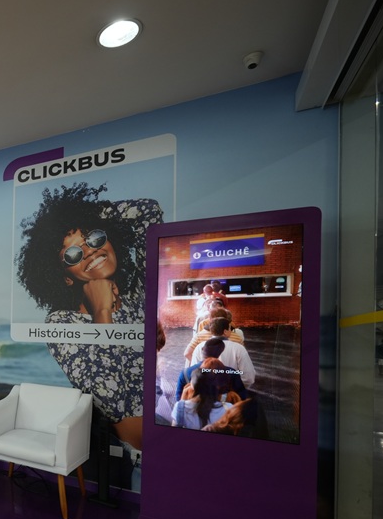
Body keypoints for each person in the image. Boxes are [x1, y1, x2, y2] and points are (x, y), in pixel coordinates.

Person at [16, 182, 163, 449]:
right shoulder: (62, 323)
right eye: (73, 254)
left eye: (94, 238)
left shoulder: (138, 295)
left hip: (168, 435)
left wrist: (83, 214)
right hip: (130, 459)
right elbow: (110, 401)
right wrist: (101, 311)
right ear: (66, 277)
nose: (90, 250)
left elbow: (148, 211)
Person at [189, 316, 256, 387]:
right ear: (225, 331)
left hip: (205, 390)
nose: (231, 331)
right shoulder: (239, 348)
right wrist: (234, 387)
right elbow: (249, 377)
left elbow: (194, 373)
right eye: (230, 328)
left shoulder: (199, 347)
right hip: (231, 390)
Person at [171, 363, 232, 429]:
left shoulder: (180, 408)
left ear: (192, 386)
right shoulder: (229, 408)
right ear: (215, 386)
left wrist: (182, 401)